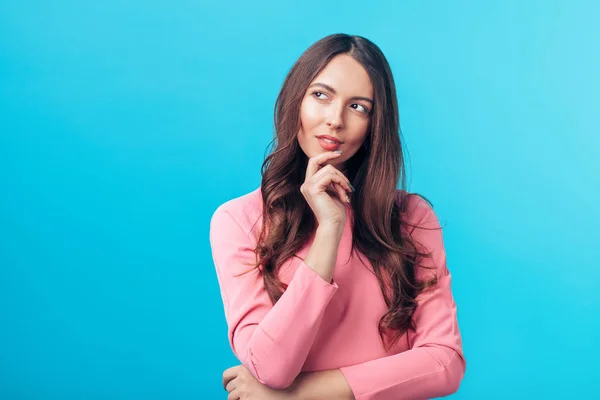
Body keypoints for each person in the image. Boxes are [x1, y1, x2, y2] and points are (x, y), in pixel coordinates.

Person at [209, 33, 466, 400]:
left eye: (358, 107)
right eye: (321, 95)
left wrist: (297, 396)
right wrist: (330, 228)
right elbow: (271, 367)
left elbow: (444, 363)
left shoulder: (411, 217)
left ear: (375, 123)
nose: (335, 120)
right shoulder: (238, 221)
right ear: (295, 98)